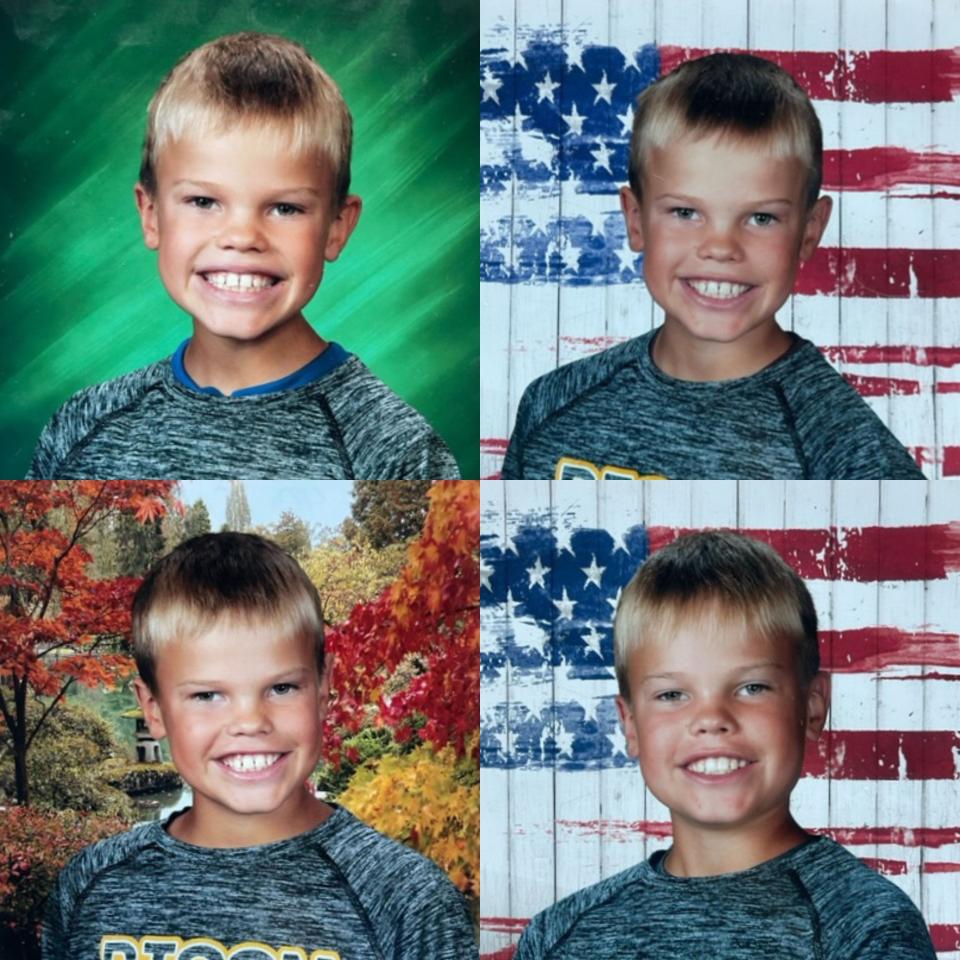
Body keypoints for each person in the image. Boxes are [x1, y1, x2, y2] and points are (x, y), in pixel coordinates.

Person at [26, 32, 459, 480]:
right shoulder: (81, 427)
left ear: (336, 227)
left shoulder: (394, 449)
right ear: (151, 215)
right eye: (203, 202)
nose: (242, 236)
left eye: (285, 208)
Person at [42, 532, 475, 959]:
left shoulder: (406, 901)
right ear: (153, 709)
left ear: (324, 688)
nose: (250, 722)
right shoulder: (89, 888)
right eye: (207, 695)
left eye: (282, 687)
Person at [501, 53, 925, 480]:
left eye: (761, 218)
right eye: (685, 213)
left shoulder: (850, 456)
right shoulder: (550, 406)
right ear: (635, 220)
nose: (721, 248)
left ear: (810, 231)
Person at [516, 530, 936, 958]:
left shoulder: (866, 927)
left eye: (752, 687)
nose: (711, 719)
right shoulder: (558, 937)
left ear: (812, 706)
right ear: (631, 726)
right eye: (672, 695)